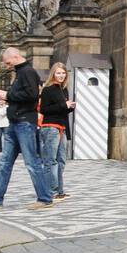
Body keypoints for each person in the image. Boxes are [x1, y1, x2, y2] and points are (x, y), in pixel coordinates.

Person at [0, 47, 55, 211]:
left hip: (25, 123)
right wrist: (7, 95)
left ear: (16, 56)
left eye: (8, 62)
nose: (6, 65)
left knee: (32, 162)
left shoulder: (28, 72)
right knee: (5, 163)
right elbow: (22, 95)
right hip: (14, 123)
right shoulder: (20, 73)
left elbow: (32, 95)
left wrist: (7, 95)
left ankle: (45, 198)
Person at [38, 62, 75, 201]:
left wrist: (70, 107)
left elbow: (61, 110)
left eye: (63, 73)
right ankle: (50, 191)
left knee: (61, 160)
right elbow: (44, 110)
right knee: (50, 160)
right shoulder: (48, 89)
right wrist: (63, 105)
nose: (61, 75)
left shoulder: (63, 89)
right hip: (50, 127)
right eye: (58, 73)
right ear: (53, 73)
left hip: (62, 127)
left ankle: (59, 190)